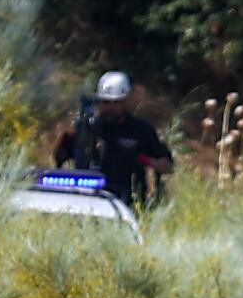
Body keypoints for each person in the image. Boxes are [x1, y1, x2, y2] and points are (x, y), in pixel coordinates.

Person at [58, 71, 171, 210]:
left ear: (125, 101)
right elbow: (61, 158)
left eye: (115, 103)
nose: (110, 108)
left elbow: (167, 165)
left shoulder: (141, 130)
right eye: (106, 102)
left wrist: (145, 160)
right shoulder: (88, 128)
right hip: (88, 203)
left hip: (128, 205)